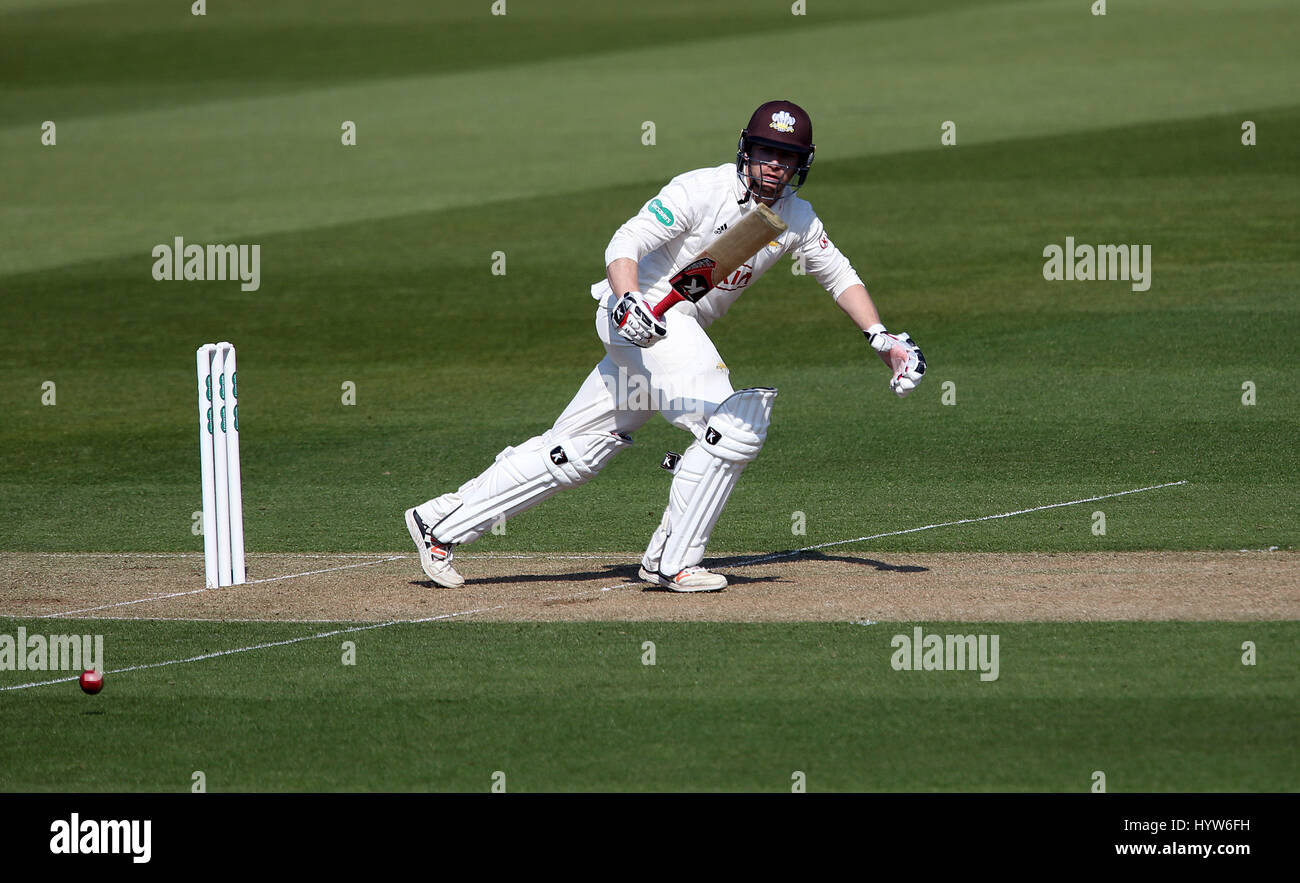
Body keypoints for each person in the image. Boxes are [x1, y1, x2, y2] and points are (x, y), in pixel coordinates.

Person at [405, 100, 925, 592]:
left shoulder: (796, 217)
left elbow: (839, 275)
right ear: (746, 150)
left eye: (786, 156)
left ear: (801, 164)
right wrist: (628, 299)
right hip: (641, 313)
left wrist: (881, 338)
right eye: (767, 151)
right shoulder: (699, 189)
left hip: (669, 330)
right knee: (734, 426)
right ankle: (673, 563)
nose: (774, 165)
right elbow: (624, 241)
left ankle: (438, 522)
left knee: (577, 450)